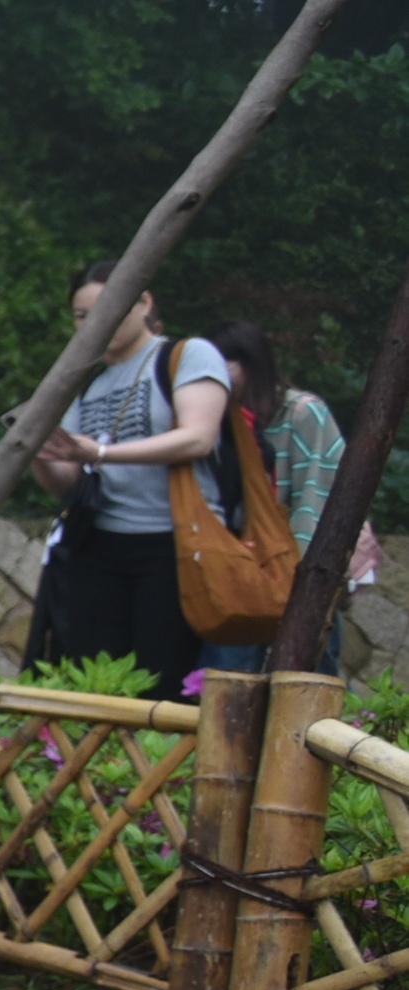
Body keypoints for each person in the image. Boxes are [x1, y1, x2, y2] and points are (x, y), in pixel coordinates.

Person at [27, 267, 227, 700]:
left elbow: (197, 436)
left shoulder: (186, 355)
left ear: (144, 302)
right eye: (82, 316)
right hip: (99, 544)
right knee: (93, 680)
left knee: (164, 680)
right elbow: (67, 480)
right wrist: (39, 452)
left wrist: (98, 452)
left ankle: (160, 766)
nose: (94, 324)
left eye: (108, 310)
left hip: (174, 544)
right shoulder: (84, 379)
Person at [205, 321, 346, 676]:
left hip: (297, 575)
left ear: (250, 363)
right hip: (236, 577)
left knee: (309, 678)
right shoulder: (215, 421)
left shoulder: (301, 412)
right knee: (231, 685)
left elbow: (316, 498)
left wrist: (300, 580)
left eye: (223, 366)